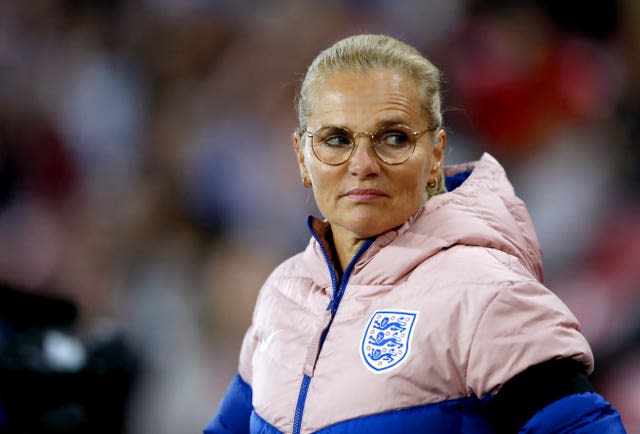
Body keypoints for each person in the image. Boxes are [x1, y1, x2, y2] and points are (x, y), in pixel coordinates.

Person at [203, 34, 626, 433]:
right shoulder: (284, 294)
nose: (363, 163)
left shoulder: (484, 293)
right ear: (302, 156)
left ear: (437, 153)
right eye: (336, 139)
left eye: (393, 137)